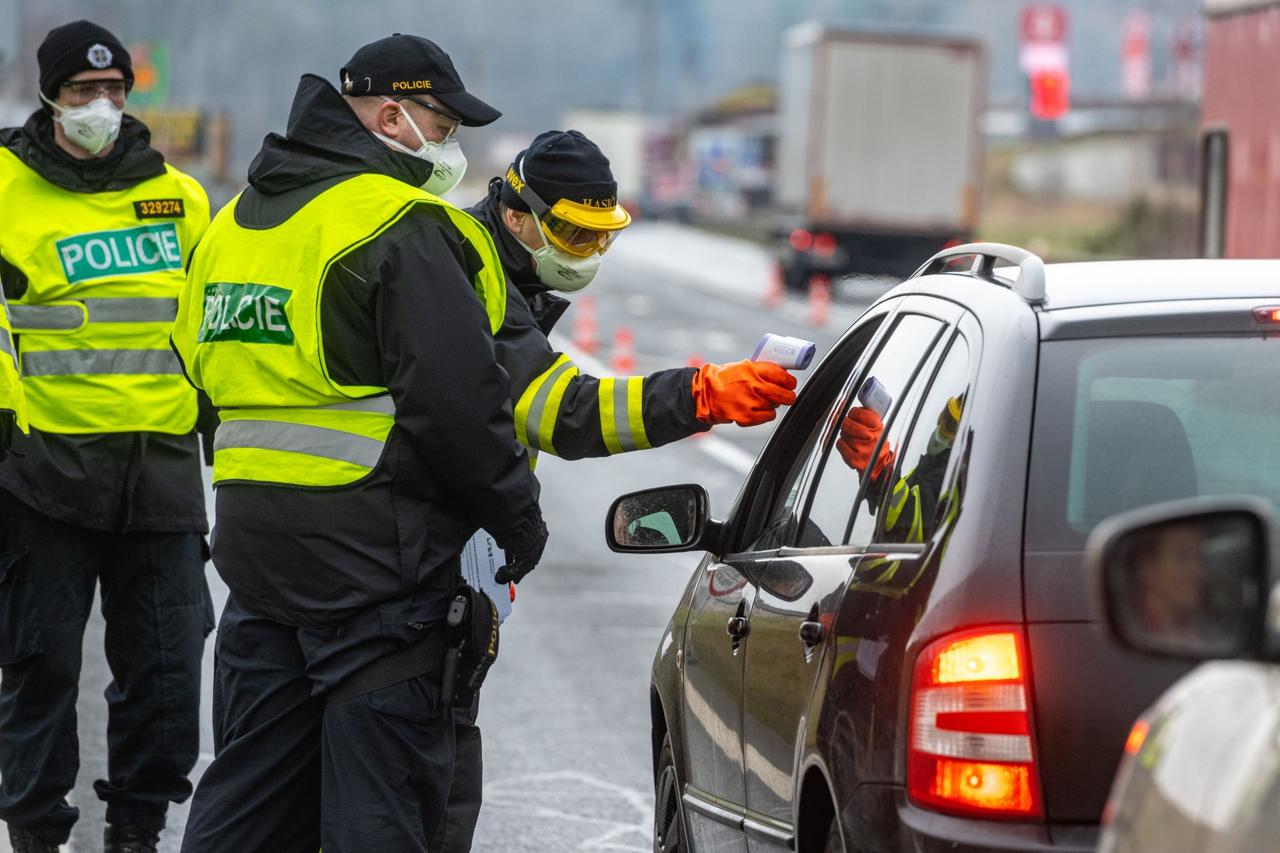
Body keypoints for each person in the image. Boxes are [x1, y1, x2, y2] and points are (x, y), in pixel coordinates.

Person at [172, 34, 548, 853]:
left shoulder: (235, 224)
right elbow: (459, 409)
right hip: (379, 581)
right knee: (378, 813)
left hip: (259, 570)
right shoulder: (401, 227)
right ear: (390, 116)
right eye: (443, 123)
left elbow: (197, 371)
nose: (454, 145)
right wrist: (520, 523)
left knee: (246, 806)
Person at [435, 131, 799, 851]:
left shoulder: (508, 273)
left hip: (430, 560)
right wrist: (702, 394)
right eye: (573, 233)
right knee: (419, 779)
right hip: (414, 564)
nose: (588, 254)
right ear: (516, 215)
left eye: (602, 237)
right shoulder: (467, 269)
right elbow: (564, 413)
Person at [0, 21, 213, 853]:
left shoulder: (180, 197)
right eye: (84, 92)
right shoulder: (6, 187)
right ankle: (36, 833)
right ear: (51, 96)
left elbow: (210, 324)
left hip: (159, 472)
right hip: (43, 468)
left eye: (115, 90)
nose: (102, 105)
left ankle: (137, 828)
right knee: (40, 666)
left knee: (165, 673)